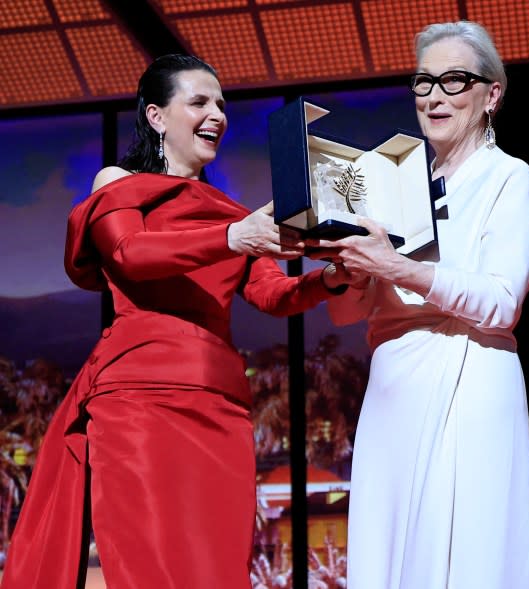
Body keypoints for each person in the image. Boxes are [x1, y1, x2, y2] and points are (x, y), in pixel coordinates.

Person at [0, 54, 356, 589]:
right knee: (153, 566)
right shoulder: (119, 181)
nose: (216, 114)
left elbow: (271, 293)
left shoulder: (235, 213)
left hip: (220, 404)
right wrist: (231, 238)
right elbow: (130, 253)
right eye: (198, 102)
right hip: (139, 397)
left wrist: (330, 281)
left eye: (220, 104)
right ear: (156, 117)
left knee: (215, 569)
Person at [307, 20, 529, 589]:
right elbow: (349, 315)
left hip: (471, 376)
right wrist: (347, 271)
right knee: (391, 553)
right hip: (394, 386)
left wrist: (398, 268)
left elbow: (501, 302)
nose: (434, 96)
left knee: (472, 551)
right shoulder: (397, 184)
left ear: (491, 94)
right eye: (423, 82)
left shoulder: (510, 178)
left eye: (453, 80)